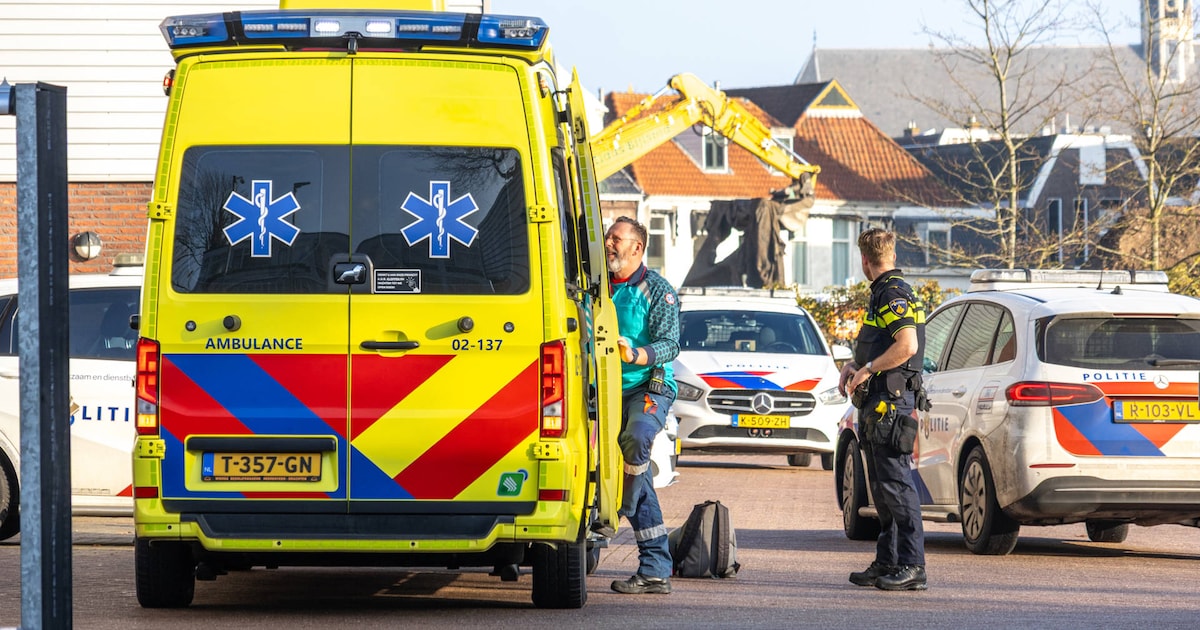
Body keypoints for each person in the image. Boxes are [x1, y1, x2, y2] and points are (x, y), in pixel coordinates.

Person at [838, 227, 929, 591]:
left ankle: (912, 565)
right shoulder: (885, 292)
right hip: (880, 405)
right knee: (883, 487)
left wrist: (869, 369)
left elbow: (906, 345)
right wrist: (854, 365)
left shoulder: (892, 293)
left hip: (891, 405)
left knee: (896, 485)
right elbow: (881, 343)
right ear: (891, 255)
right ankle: (888, 561)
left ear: (864, 260)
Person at [604, 215, 680, 595]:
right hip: (603, 390)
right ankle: (654, 568)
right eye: (607, 237)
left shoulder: (659, 290)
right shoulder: (594, 285)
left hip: (647, 387)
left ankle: (625, 505)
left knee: (637, 437)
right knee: (637, 471)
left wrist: (636, 354)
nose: (608, 243)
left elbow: (671, 344)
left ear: (637, 247)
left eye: (617, 239)